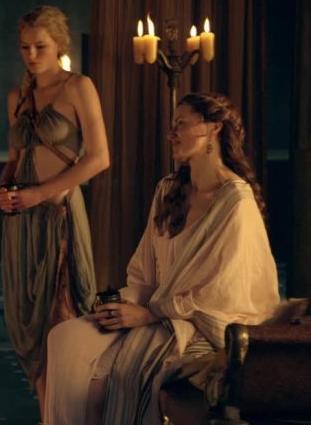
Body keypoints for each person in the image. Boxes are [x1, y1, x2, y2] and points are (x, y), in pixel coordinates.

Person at [44, 93, 280, 425]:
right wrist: (119, 303)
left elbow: (220, 295)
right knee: (64, 338)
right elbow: (144, 273)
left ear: (214, 128)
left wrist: (149, 314)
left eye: (181, 124)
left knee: (98, 385)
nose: (171, 133)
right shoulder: (168, 189)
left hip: (202, 322)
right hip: (156, 310)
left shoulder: (235, 202)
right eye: (172, 125)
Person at [0, 5, 110, 422]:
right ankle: (48, 416)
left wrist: (40, 193)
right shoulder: (17, 97)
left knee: (61, 320)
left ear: (59, 45)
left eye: (40, 46)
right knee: (31, 323)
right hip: (20, 219)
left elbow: (99, 158)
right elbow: (15, 158)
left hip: (58, 214)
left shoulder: (79, 86)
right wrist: (0, 187)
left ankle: (69, 417)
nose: (31, 54)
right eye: (24, 46)